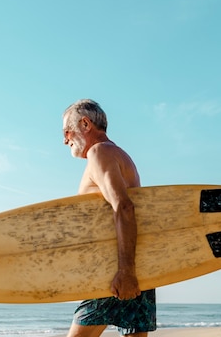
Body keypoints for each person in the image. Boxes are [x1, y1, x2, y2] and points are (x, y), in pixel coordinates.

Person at [62, 99, 156, 337]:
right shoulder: (121, 155)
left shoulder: (99, 152)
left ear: (85, 124)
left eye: (67, 131)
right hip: (135, 268)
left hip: (114, 271)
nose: (65, 140)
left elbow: (124, 207)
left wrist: (125, 272)